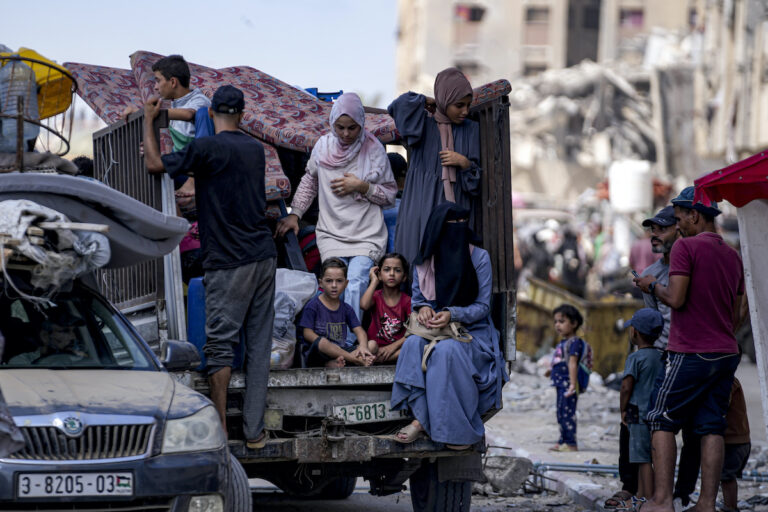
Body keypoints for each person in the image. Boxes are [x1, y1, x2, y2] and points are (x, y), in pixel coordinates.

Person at [143, 84, 277, 450]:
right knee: (259, 347)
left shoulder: (205, 148)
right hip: (264, 256)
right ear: (243, 115)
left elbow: (155, 165)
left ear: (210, 112)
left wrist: (150, 122)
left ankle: (218, 427)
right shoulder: (254, 149)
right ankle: (254, 433)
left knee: (220, 345)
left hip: (229, 260)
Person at [634, 186, 744, 512]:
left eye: (680, 217)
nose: (678, 225)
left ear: (694, 214)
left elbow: (676, 297)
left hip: (690, 351)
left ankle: (662, 501)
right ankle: (706, 505)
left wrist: (651, 284)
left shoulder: (686, 249)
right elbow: (736, 315)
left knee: (660, 419)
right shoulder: (732, 255)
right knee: (712, 426)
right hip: (726, 352)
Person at [276, 92, 396, 344]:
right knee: (334, 285)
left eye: (352, 127)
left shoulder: (373, 150)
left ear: (361, 124)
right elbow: (309, 181)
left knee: (355, 283)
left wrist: (362, 187)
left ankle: (347, 343)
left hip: (367, 234)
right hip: (331, 233)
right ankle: (333, 342)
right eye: (339, 127)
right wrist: (295, 214)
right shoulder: (323, 146)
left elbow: (388, 196)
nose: (346, 133)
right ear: (332, 124)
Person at [390, 203, 508, 449]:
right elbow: (419, 300)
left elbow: (482, 307)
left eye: (461, 225)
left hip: (471, 331)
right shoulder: (424, 260)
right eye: (452, 226)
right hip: (432, 327)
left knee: (446, 352)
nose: (458, 230)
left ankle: (444, 430)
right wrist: (423, 309)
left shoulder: (479, 257)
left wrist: (452, 313)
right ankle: (422, 417)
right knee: (412, 345)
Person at [387, 67, 481, 264]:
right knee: (418, 253)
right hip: (422, 201)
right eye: (458, 105)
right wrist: (427, 100)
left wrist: (463, 162)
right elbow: (398, 106)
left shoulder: (471, 129)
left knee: (451, 262)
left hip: (455, 203)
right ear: (444, 100)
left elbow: (475, 181)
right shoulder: (424, 123)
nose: (465, 111)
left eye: (467, 105)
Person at [620, 308, 665, 503]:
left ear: (635, 332)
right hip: (657, 411)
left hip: (635, 412)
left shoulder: (635, 358)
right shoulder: (662, 356)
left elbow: (626, 386)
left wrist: (622, 408)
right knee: (649, 455)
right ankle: (640, 494)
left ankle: (647, 498)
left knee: (642, 458)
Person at [299, 258, 377, 367]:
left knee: (372, 345)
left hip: (341, 351)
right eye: (329, 281)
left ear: (346, 284)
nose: (334, 285)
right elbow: (307, 333)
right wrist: (330, 347)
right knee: (323, 342)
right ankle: (354, 360)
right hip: (319, 352)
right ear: (321, 283)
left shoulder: (346, 308)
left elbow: (360, 332)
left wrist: (363, 346)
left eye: (339, 281)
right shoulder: (313, 305)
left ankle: (337, 362)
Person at [547, 304, 586, 452]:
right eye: (556, 321)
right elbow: (560, 360)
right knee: (561, 412)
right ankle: (562, 440)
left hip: (568, 384)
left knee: (567, 413)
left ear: (574, 323)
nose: (557, 325)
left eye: (562, 321)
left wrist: (572, 384)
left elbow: (572, 363)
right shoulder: (563, 342)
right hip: (560, 383)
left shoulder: (575, 342)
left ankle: (570, 443)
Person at [360, 252, 411, 364]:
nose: (392, 274)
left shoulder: (407, 301)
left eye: (397, 270)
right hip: (374, 349)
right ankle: (375, 358)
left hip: (395, 350)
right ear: (380, 275)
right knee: (371, 345)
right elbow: (364, 305)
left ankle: (377, 360)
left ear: (404, 277)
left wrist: (392, 347)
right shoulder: (376, 296)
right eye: (387, 270)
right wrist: (374, 281)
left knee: (413, 347)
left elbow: (413, 331)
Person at [8, 313, 89, 366]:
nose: (73, 337)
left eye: (74, 331)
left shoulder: (82, 359)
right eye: (65, 331)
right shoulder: (22, 362)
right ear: (45, 336)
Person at [720, 377, 751, 512]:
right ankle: (730, 506)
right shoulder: (731, 379)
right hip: (739, 440)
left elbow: (721, 406)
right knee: (727, 477)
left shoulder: (728, 381)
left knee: (726, 477)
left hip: (733, 441)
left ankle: (730, 507)